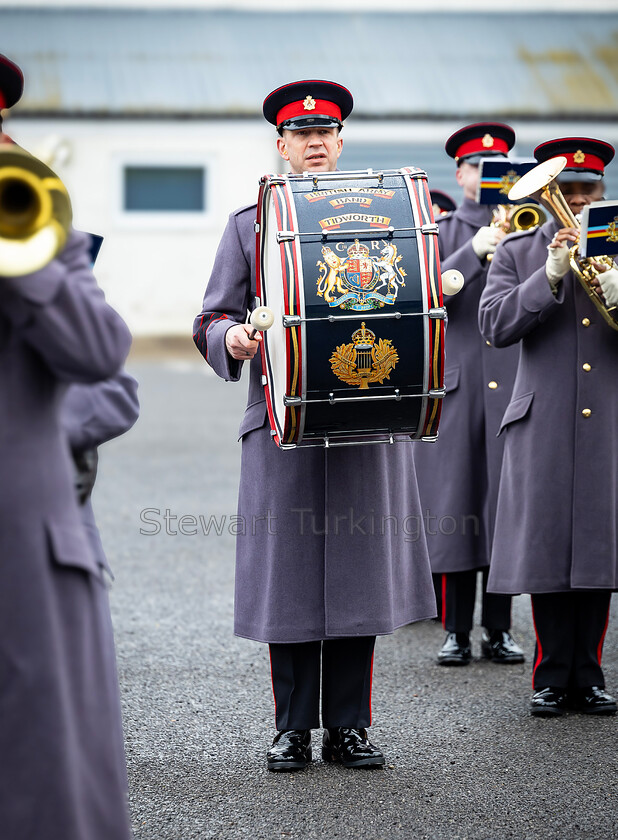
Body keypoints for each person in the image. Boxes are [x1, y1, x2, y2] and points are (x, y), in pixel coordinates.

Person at [193, 80, 436, 771]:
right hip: (282, 427)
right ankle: (293, 729)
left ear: (340, 140)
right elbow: (209, 316)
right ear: (281, 144)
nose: (315, 142)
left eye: (326, 131)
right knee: (290, 582)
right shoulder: (250, 223)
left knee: (360, 581)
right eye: (302, 134)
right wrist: (233, 339)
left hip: (366, 420)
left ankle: (349, 730)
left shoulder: (384, 214)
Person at [0, 54, 134, 839]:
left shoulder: (42, 230)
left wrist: (24, 255)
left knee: (46, 787)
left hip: (20, 552)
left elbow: (100, 356)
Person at [479, 136, 617, 717]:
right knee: (547, 548)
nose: (579, 202)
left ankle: (589, 672)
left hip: (606, 417)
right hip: (544, 418)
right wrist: (550, 276)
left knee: (598, 548)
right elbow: (494, 325)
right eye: (570, 191)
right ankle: (550, 672)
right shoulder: (515, 251)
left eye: (590, 191)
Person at [413, 123, 525, 666]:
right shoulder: (440, 230)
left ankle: (499, 629)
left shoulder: (532, 229)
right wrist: (476, 251)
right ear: (460, 175)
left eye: (501, 168)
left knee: (503, 510)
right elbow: (421, 296)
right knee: (456, 510)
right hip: (457, 392)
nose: (490, 176)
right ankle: (456, 629)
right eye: (480, 167)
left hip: (512, 391)